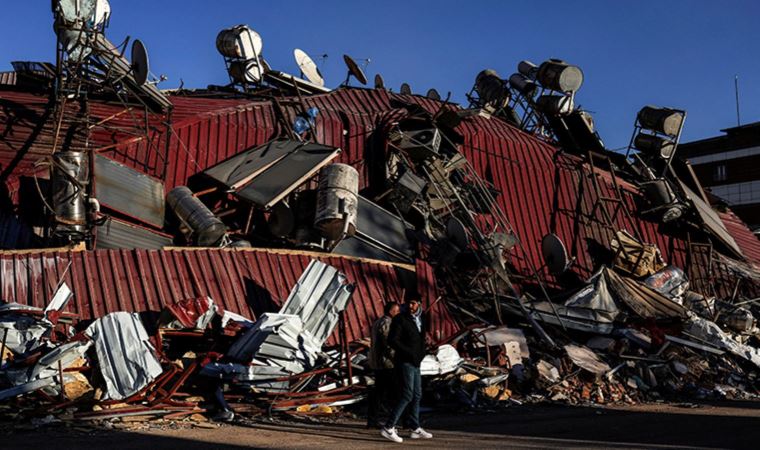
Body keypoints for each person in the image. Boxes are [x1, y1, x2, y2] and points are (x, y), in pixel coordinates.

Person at [380, 298, 433, 443]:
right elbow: (392, 340)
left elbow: (422, 339)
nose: (410, 306)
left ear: (419, 305)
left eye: (413, 303)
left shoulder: (421, 318)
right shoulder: (400, 319)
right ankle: (389, 426)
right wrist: (409, 353)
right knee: (407, 394)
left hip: (416, 362)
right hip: (404, 361)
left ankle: (414, 427)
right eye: (408, 303)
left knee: (417, 394)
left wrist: (421, 354)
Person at [366, 301, 400, 428]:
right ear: (391, 312)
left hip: (378, 363)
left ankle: (373, 419)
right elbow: (389, 344)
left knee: (379, 392)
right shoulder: (387, 323)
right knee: (392, 392)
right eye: (396, 311)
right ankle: (391, 421)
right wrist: (397, 357)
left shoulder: (377, 322)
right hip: (386, 363)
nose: (398, 313)